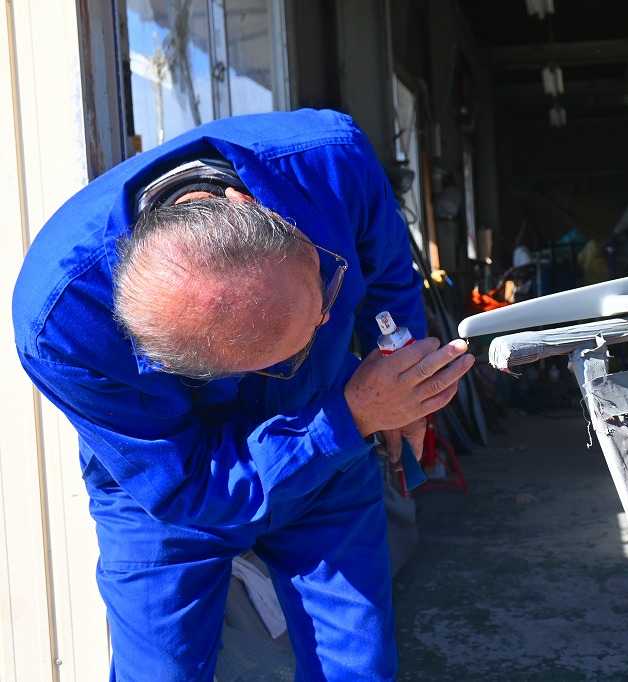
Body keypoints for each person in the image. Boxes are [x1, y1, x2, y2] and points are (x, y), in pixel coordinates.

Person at [12, 109, 474, 681]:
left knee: (359, 666)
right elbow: (188, 488)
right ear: (172, 364)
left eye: (322, 298)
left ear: (251, 205)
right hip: (174, 480)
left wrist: (406, 376)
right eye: (280, 357)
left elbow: (389, 283)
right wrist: (351, 417)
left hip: (326, 430)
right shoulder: (64, 327)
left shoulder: (332, 165)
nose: (327, 320)